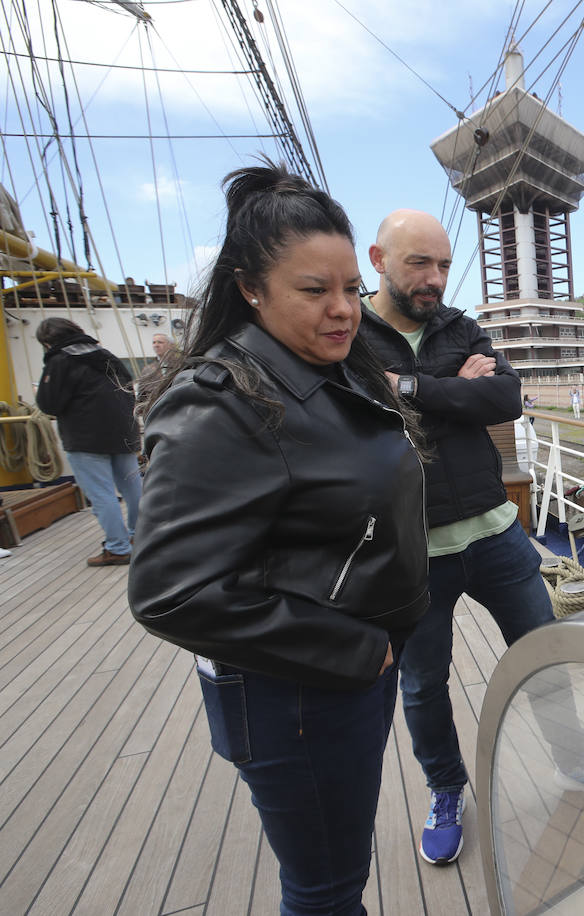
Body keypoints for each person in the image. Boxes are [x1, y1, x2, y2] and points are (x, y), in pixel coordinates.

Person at [127, 164, 430, 916]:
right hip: (299, 691)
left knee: (335, 873)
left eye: (352, 290)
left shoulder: (329, 370)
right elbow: (171, 592)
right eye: (313, 291)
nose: (343, 311)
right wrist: (359, 649)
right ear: (251, 290)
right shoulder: (222, 406)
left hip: (347, 671)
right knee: (325, 890)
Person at [356, 209, 584, 867]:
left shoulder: (459, 325)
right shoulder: (351, 335)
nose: (434, 278)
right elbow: (360, 408)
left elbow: (505, 400)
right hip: (413, 550)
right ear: (377, 259)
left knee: (542, 655)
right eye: (418, 263)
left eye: (444, 265)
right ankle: (446, 790)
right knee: (422, 685)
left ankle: (572, 759)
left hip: (497, 532)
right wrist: (454, 392)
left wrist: (411, 389)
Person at [34, 317, 142, 566]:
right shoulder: (106, 355)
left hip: (85, 438)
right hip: (123, 433)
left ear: (48, 342)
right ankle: (140, 536)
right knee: (133, 486)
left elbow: (49, 403)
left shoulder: (59, 361)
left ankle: (118, 547)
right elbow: (129, 390)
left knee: (102, 493)